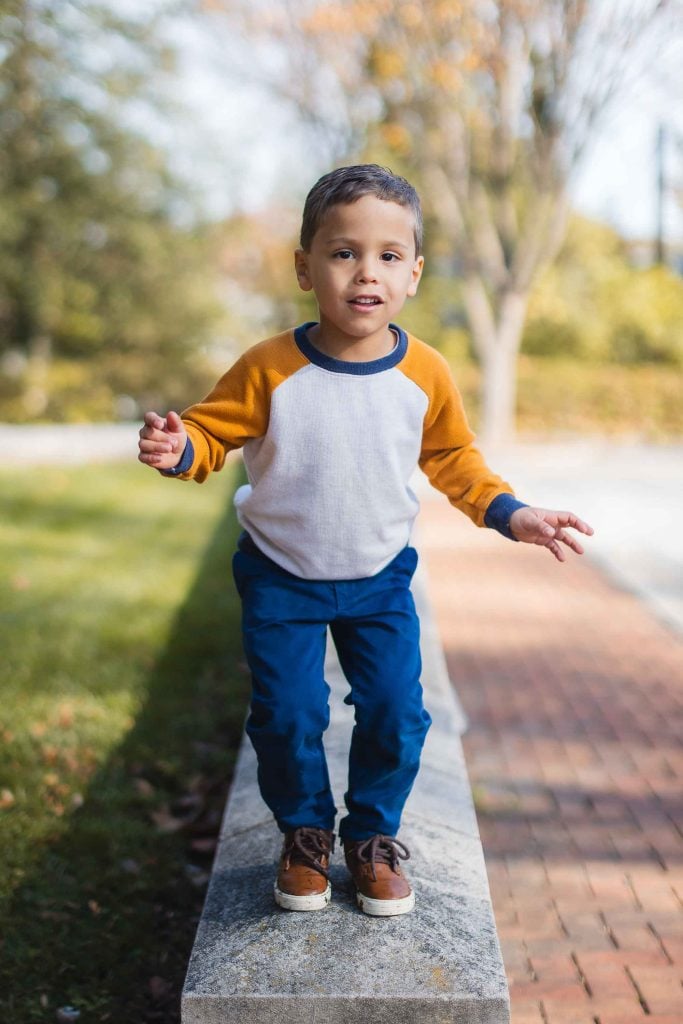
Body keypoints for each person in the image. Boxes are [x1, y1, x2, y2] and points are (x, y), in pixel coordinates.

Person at [138, 164, 593, 917]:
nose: (364, 273)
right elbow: (210, 435)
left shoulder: (424, 373)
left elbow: (452, 460)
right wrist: (177, 447)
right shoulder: (269, 366)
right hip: (280, 573)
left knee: (394, 711)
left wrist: (512, 514)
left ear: (412, 274)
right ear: (304, 266)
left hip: (380, 577)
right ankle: (306, 833)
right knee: (287, 713)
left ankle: (372, 837)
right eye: (343, 252)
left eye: (387, 256)